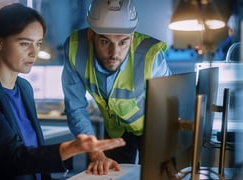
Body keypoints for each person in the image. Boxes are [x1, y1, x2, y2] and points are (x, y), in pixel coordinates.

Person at [0, 3, 125, 180]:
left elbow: (34, 150)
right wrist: (73, 147)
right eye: (24, 44)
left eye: (38, 44)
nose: (34, 52)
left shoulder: (24, 88)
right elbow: (12, 157)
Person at [62, 0, 172, 175]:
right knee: (109, 173)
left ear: (132, 37)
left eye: (123, 42)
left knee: (155, 175)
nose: (114, 53)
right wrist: (96, 152)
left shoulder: (151, 56)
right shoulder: (75, 49)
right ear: (91, 36)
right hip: (115, 130)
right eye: (105, 42)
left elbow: (167, 109)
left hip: (152, 128)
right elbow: (75, 107)